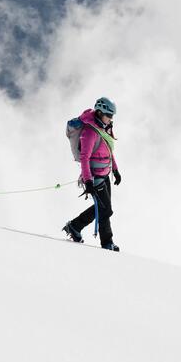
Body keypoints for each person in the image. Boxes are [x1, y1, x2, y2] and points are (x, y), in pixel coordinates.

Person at [63, 97, 121, 250]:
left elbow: (109, 151)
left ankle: (78, 228)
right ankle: (103, 241)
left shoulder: (104, 128)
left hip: (105, 174)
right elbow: (84, 158)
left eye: (112, 116)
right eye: (109, 115)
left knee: (103, 209)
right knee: (105, 209)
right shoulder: (90, 132)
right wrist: (88, 181)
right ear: (100, 112)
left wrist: (115, 170)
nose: (110, 119)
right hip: (95, 177)